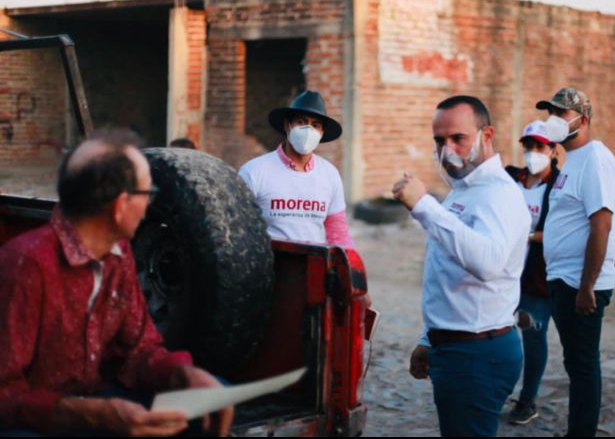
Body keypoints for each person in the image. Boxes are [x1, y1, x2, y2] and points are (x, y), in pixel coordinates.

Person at [0, 130, 233, 436]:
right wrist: (92, 415)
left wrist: (183, 375)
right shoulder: (26, 264)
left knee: (211, 398)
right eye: (147, 194)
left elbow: (139, 350)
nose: (148, 206)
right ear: (121, 205)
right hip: (38, 419)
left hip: (97, 400)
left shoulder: (118, 254)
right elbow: (6, 396)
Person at [392, 95, 531, 437]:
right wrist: (430, 338)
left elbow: (487, 263)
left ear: (487, 135)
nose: (447, 149)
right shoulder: (463, 191)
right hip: (456, 346)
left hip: (478, 353)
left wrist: (424, 206)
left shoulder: (499, 193)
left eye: (458, 138)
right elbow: (447, 272)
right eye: (439, 140)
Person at [538, 88, 615, 437]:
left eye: (561, 114)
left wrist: (587, 285)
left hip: (581, 284)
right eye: (551, 113)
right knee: (575, 363)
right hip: (565, 279)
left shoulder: (596, 159)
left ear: (582, 120)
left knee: (584, 366)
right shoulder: (574, 160)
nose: (553, 120)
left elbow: (600, 223)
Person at [238, 90, 354, 248]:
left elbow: (337, 230)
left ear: (322, 132)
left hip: (314, 266)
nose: (308, 130)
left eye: (315, 125)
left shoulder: (330, 174)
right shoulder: (254, 171)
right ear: (287, 125)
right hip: (270, 265)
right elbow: (239, 228)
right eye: (301, 122)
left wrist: (348, 265)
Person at [504, 120, 560, 425]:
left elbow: (561, 232)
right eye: (529, 146)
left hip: (538, 276)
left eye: (540, 147)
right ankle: (499, 389)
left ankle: (527, 400)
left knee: (533, 335)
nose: (533, 153)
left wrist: (523, 235)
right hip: (504, 271)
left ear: (552, 150)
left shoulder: (560, 186)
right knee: (500, 332)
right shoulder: (510, 178)